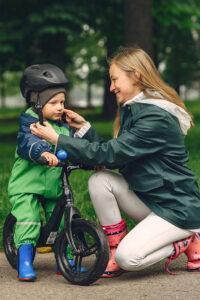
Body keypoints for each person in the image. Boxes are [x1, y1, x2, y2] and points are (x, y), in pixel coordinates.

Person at [30, 47, 200, 278]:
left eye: (114, 79)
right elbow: (115, 154)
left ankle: (185, 239)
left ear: (136, 76)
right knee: (100, 180)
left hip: (177, 208)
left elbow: (111, 154)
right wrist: (84, 129)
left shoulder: (155, 117)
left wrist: (57, 139)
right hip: (152, 200)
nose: (111, 87)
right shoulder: (138, 110)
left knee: (129, 259)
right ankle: (115, 247)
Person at [8, 64, 70, 281]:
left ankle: (66, 260)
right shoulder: (30, 122)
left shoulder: (62, 125)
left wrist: (86, 157)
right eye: (53, 103)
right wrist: (43, 153)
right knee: (29, 219)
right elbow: (28, 143)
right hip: (27, 185)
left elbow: (72, 145)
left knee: (63, 219)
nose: (60, 107)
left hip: (53, 186)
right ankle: (24, 261)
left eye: (62, 102)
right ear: (37, 101)